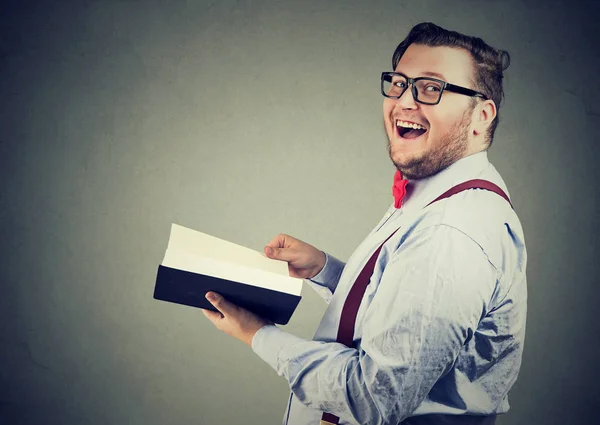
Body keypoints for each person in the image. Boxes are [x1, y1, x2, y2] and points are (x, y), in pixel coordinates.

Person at [202, 22, 527, 425]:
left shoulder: (451, 231)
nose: (405, 101)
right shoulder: (437, 195)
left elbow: (375, 397)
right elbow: (402, 312)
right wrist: (325, 269)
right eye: (399, 83)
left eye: (431, 88)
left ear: (481, 115)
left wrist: (258, 334)